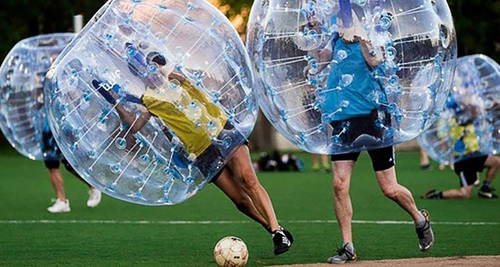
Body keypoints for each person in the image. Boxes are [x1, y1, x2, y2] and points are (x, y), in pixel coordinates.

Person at [93, 43, 293, 255]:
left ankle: (277, 231)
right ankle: (273, 230)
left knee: (248, 180)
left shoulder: (175, 78)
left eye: (152, 66)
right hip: (201, 151)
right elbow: (134, 127)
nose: (150, 71)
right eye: (143, 69)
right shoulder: (148, 99)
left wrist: (164, 69)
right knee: (240, 201)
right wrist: (116, 102)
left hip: (221, 131)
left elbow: (189, 78)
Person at [309, 1, 433, 263]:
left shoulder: (373, 39)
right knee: (339, 185)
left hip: (373, 117)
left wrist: (364, 40)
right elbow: (317, 62)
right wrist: (314, 29)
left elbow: (376, 61)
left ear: (357, 21)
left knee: (389, 188)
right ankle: (347, 246)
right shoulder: (333, 42)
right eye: (339, 20)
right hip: (343, 120)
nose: (340, 23)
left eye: (344, 20)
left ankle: (419, 218)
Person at [41, 107, 102, 213]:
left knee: (70, 164)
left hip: (65, 124)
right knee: (51, 164)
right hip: (48, 125)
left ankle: (93, 185)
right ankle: (62, 200)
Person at [422, 155, 498, 199]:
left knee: (496, 161)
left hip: (476, 156)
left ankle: (485, 188)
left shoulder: (475, 128)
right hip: (465, 162)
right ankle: (436, 194)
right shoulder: (459, 131)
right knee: (465, 194)